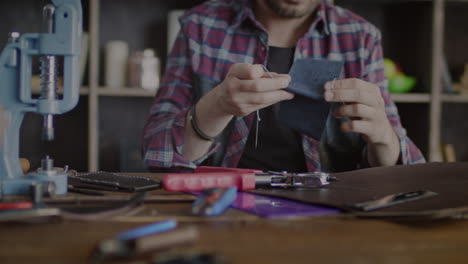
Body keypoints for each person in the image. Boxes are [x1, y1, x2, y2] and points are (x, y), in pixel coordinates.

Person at [143, 0, 425, 173]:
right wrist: (216, 107)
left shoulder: (361, 37)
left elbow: (407, 175)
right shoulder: (200, 27)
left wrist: (384, 138)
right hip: (219, 205)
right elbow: (157, 155)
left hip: (332, 213)